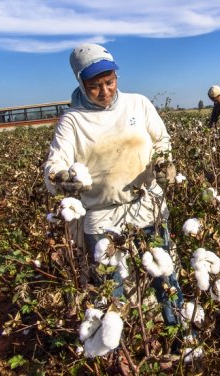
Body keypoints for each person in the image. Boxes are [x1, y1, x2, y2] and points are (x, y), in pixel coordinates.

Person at [43, 43, 183, 330]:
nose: (105, 91)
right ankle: (120, 350)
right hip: (101, 216)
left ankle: (180, 337)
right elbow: (53, 167)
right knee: (110, 290)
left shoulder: (138, 104)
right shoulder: (72, 121)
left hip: (146, 207)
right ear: (81, 84)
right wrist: (61, 178)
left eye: (109, 82)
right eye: (95, 86)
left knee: (165, 279)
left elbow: (162, 141)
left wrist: (164, 162)